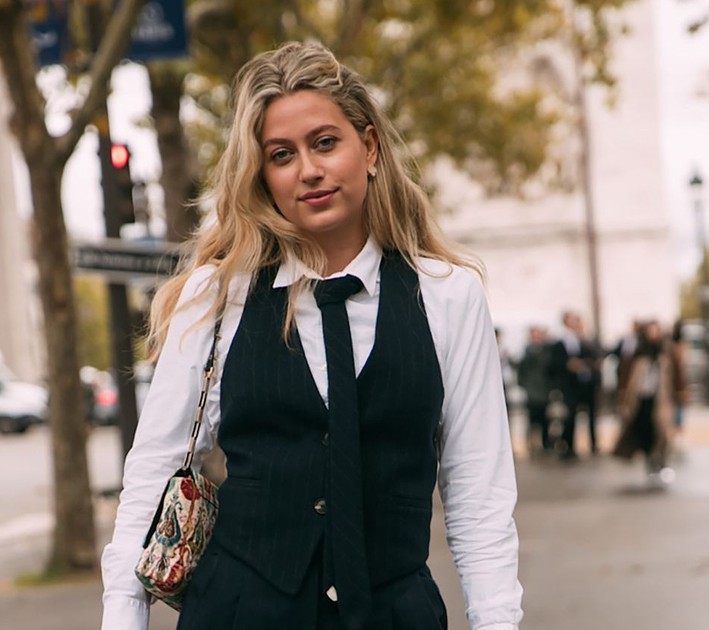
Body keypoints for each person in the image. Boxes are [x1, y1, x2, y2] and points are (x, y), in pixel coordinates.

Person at [100, 42, 522, 630]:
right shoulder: (218, 296)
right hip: (239, 612)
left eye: (325, 142)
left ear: (369, 147)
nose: (309, 169)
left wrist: (497, 621)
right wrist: (123, 619)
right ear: (263, 176)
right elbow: (153, 473)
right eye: (281, 154)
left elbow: (480, 497)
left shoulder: (448, 296)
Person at [612, 321, 683, 483]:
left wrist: (680, 394)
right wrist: (623, 398)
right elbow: (625, 378)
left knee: (661, 431)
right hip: (640, 399)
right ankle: (649, 462)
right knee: (644, 431)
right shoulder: (637, 354)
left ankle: (659, 462)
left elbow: (677, 376)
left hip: (660, 399)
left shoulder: (666, 353)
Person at [551, 312, 602, 459]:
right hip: (570, 385)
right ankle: (568, 447)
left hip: (586, 384)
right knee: (570, 415)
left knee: (591, 415)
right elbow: (555, 364)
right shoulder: (561, 342)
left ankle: (593, 444)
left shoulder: (584, 340)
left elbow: (595, 356)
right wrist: (568, 365)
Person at [519, 325, 558, 455]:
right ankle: (531, 443)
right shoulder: (527, 351)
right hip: (532, 391)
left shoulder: (546, 350)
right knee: (532, 419)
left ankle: (546, 443)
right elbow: (522, 372)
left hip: (544, 391)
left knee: (545, 419)